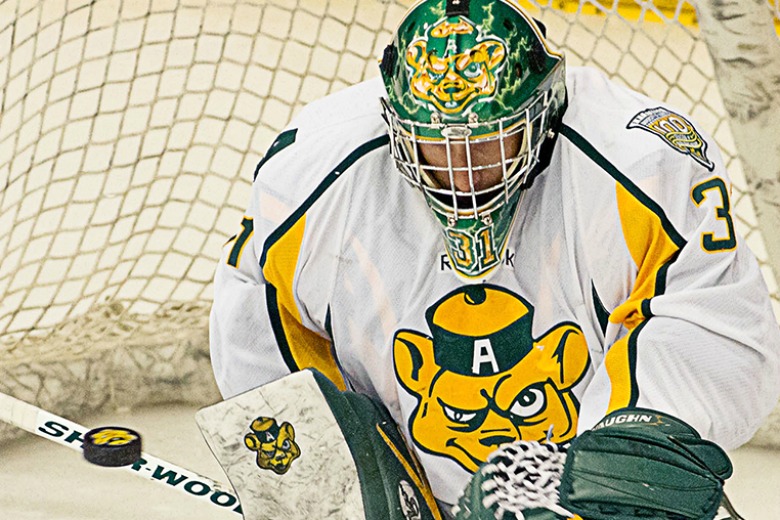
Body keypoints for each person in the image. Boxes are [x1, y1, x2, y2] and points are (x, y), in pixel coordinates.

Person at [209, 0, 780, 515]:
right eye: (438, 145)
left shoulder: (640, 165)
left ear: (544, 109)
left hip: (583, 490)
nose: (463, 169)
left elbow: (714, 317)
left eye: (487, 141)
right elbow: (261, 329)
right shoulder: (310, 179)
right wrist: (327, 475)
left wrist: (621, 460)